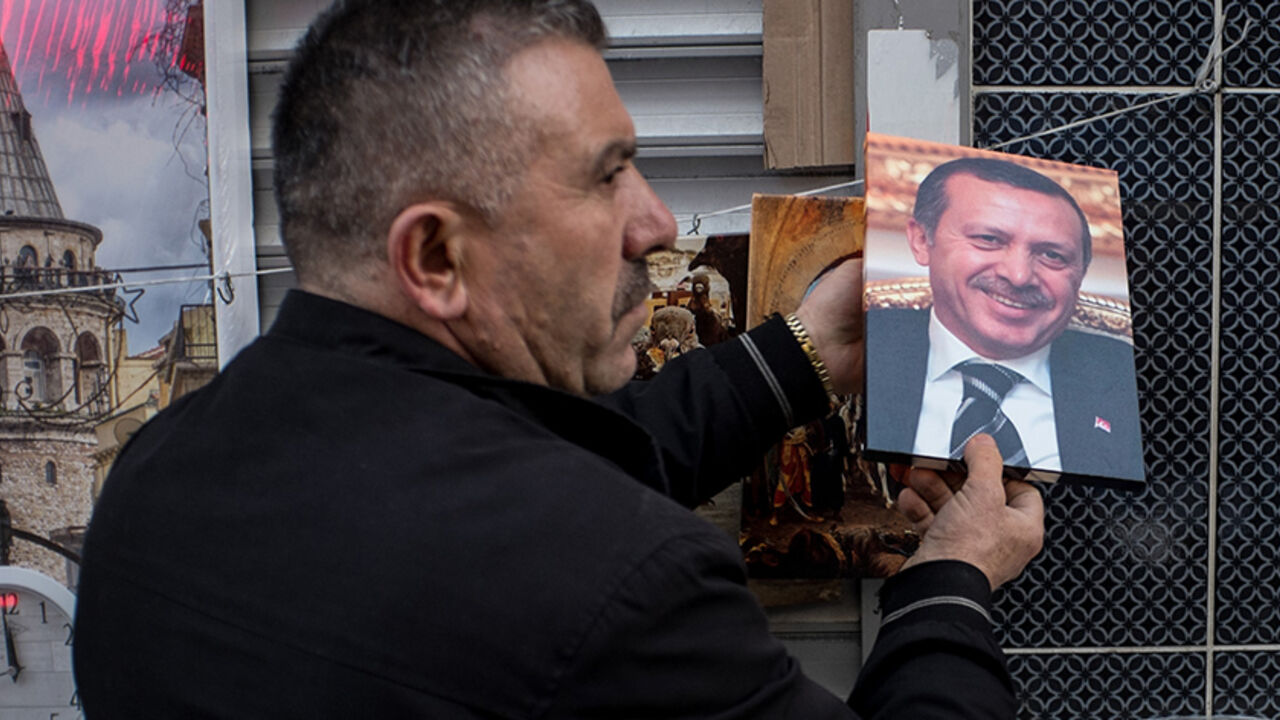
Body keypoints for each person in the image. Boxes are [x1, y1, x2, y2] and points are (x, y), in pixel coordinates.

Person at [72, 1, 1043, 716]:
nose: (656, 222)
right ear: (436, 256)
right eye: (606, 176)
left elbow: (542, 469)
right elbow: (551, 538)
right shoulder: (623, 587)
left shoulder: (151, 485)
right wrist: (945, 582)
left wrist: (803, 352)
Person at [866, 157, 1144, 483]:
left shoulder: (1128, 381)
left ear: (1081, 274)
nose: (1018, 275)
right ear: (921, 240)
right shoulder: (865, 352)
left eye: (1052, 255)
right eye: (988, 239)